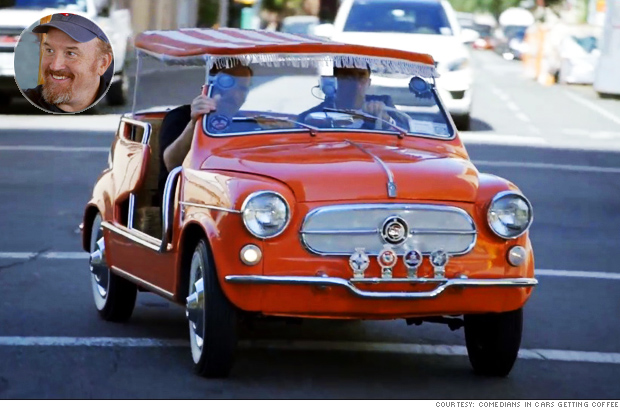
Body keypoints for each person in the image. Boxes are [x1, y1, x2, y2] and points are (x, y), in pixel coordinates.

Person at [158, 64, 253, 199]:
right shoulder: (180, 116)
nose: (236, 95)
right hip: (182, 197)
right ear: (212, 85)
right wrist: (194, 122)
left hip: (234, 194)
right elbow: (172, 164)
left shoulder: (245, 123)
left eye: (243, 89)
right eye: (229, 84)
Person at [23, 13, 113, 113]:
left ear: (102, 63)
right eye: (50, 51)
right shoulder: (24, 108)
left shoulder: (115, 114)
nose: (55, 66)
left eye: (71, 53)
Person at [298, 66, 398, 128]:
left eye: (361, 77)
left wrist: (387, 120)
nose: (357, 84)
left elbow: (406, 129)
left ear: (368, 82)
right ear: (336, 81)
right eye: (349, 77)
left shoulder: (383, 104)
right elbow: (298, 127)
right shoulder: (314, 115)